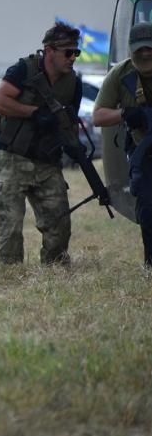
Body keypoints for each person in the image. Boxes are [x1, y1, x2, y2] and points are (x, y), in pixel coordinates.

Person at [0, 22, 84, 265]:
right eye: (68, 52)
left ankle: (55, 271)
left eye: (76, 52)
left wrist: (74, 145)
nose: (73, 58)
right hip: (11, 156)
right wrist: (34, 113)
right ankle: (9, 274)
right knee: (11, 223)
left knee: (59, 222)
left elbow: (70, 121)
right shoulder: (24, 70)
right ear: (49, 50)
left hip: (47, 161)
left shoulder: (73, 83)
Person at [92, 21, 152, 268]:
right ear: (130, 50)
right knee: (147, 207)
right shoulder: (120, 74)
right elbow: (98, 116)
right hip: (144, 152)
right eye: (140, 50)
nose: (145, 54)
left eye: (150, 48)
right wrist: (126, 114)